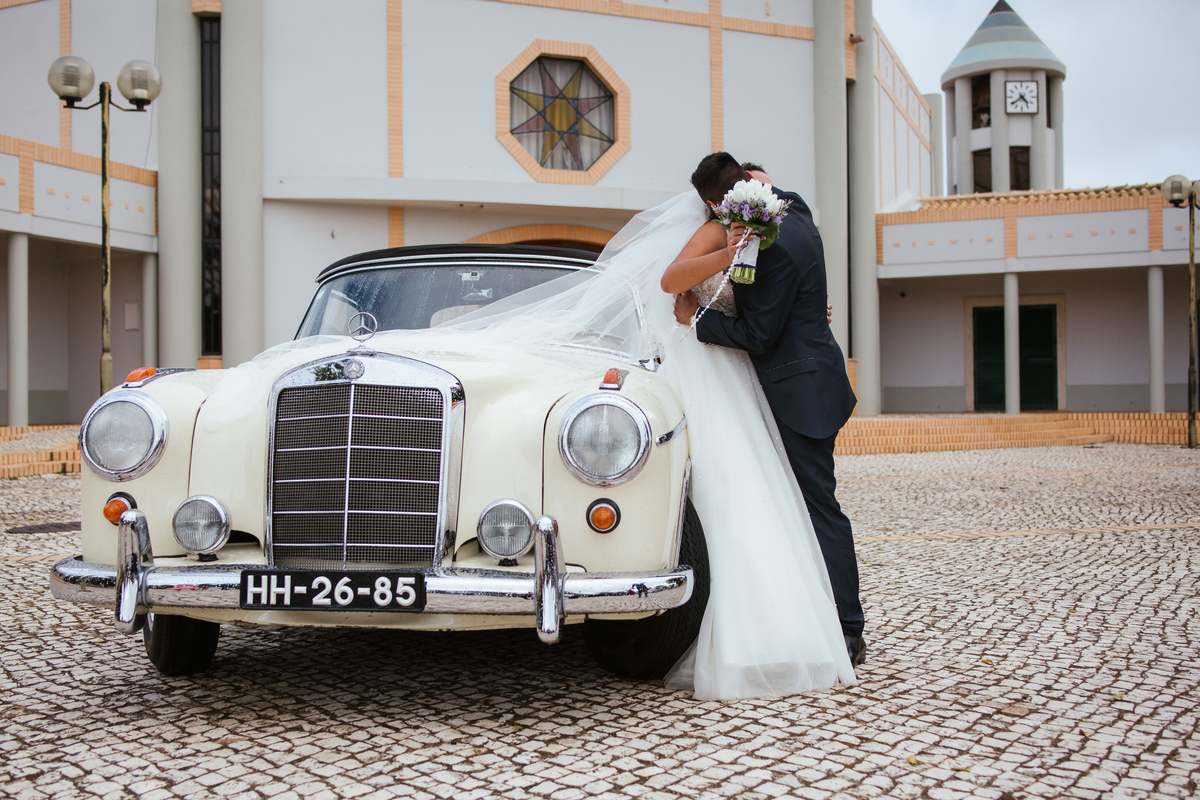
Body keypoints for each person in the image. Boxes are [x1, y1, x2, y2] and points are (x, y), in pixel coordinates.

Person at [671, 153, 866, 668]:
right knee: (783, 504)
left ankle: (847, 630)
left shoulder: (765, 245)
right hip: (797, 378)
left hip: (798, 387)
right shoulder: (795, 209)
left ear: (715, 203)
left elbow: (759, 332)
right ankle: (816, 613)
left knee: (818, 507)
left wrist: (695, 320)